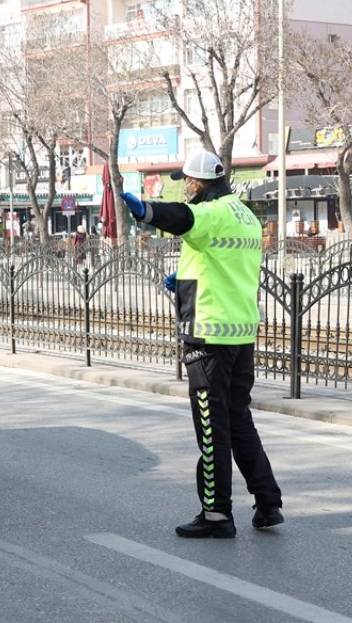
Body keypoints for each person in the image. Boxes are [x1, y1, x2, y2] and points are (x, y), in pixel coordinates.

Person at [119, 149, 283, 539]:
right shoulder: (245, 215)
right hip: (241, 332)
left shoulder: (209, 212)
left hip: (209, 334)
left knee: (212, 428)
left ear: (198, 182)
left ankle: (216, 515)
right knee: (239, 419)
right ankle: (267, 502)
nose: (186, 187)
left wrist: (145, 211)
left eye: (187, 181)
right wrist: (186, 277)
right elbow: (221, 261)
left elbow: (184, 219)